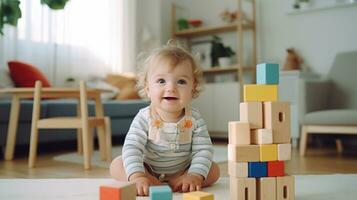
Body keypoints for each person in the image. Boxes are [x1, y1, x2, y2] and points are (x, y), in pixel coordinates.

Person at [109, 42, 220, 196]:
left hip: (183, 170)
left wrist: (194, 175)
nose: (171, 88)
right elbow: (132, 147)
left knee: (214, 170)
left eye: (181, 81)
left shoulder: (194, 118)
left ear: (192, 88)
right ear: (148, 88)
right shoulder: (144, 117)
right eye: (161, 81)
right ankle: (145, 180)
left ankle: (183, 181)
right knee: (117, 164)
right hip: (149, 169)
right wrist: (138, 175)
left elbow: (203, 150)